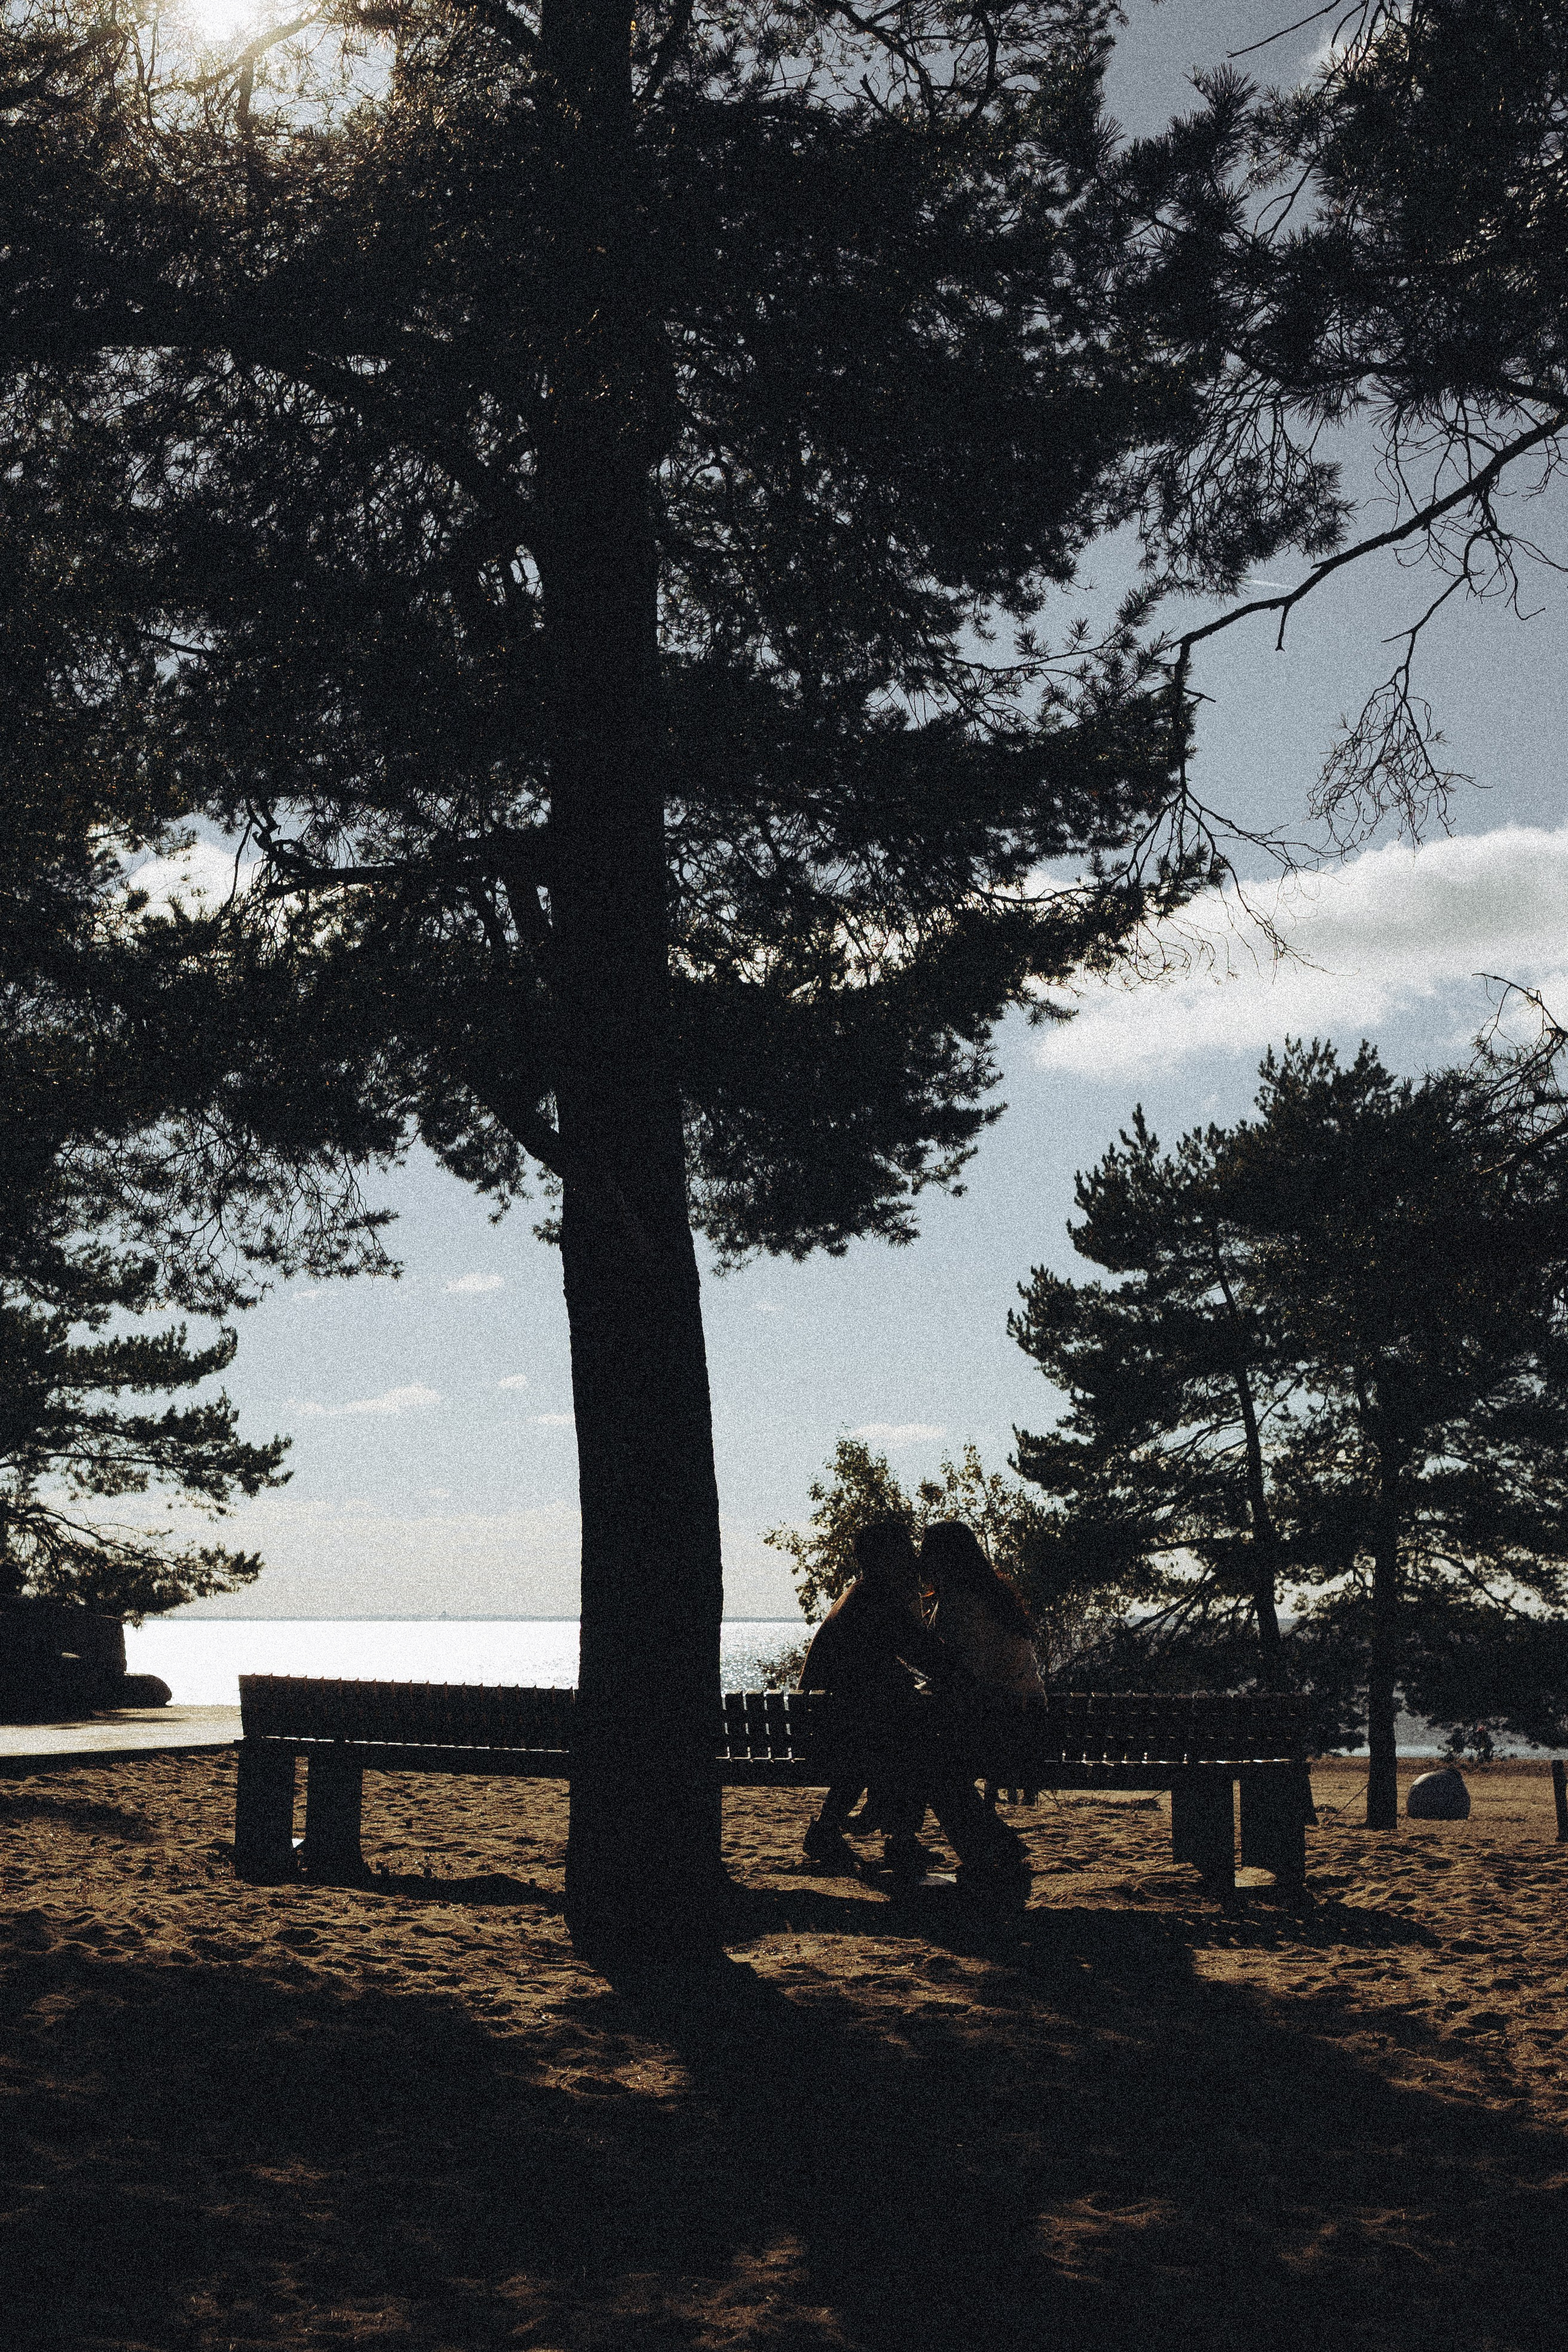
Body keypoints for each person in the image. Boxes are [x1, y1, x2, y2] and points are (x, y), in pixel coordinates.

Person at [797, 1517, 1027, 1891]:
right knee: (912, 1743)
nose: (914, 1559)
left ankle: (878, 1836)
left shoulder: (862, 1595)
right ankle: (902, 1841)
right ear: (887, 1557)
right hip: (844, 1731)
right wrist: (969, 1684)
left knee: (905, 1737)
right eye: (905, 1550)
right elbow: (929, 1656)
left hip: (831, 1728)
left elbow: (902, 1664)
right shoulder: (879, 1602)